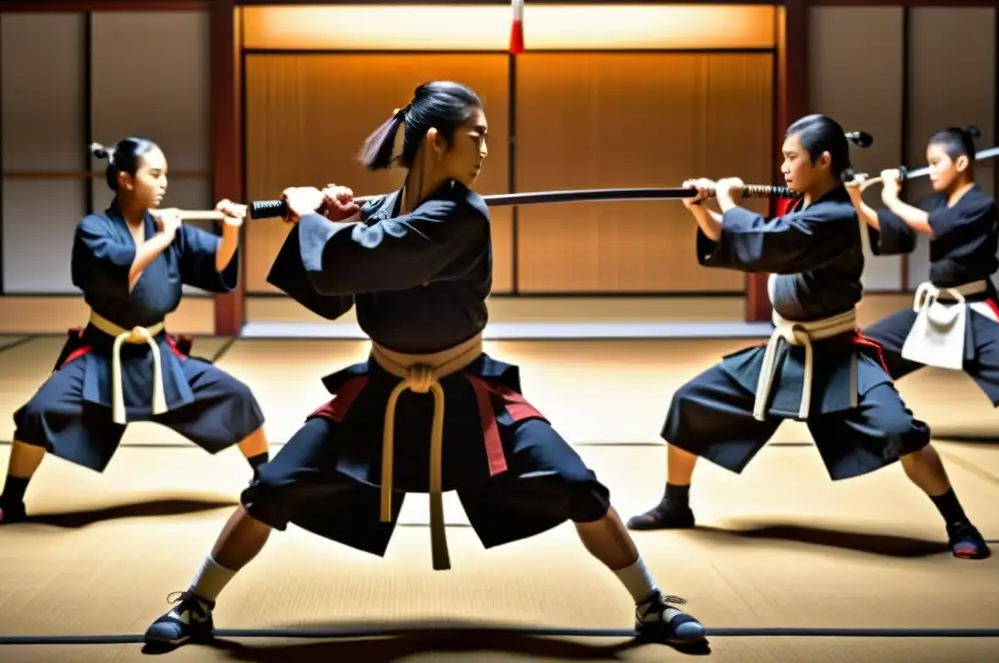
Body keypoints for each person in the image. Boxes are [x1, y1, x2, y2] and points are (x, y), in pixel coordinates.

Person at [142, 81, 705, 650]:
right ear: (436, 141)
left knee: (577, 484)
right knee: (274, 486)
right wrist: (328, 222)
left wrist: (316, 220)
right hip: (380, 388)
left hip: (469, 391)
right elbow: (334, 292)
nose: (485, 152)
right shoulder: (385, 212)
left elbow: (360, 259)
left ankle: (651, 606)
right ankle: (196, 605)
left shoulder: (462, 217)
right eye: (476, 138)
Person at [626, 115, 990, 560]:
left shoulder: (836, 215)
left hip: (837, 354)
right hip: (785, 352)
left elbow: (763, 242)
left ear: (823, 160)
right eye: (782, 158)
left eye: (791, 157)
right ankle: (674, 504)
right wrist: (701, 208)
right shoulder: (805, 208)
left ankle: (959, 521)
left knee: (903, 432)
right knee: (690, 402)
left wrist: (729, 199)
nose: (783, 167)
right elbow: (751, 238)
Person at [0, 139, 269, 525]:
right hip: (102, 354)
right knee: (39, 412)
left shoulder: (166, 228)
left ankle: (267, 481)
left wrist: (229, 233)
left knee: (236, 396)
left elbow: (215, 266)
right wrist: (163, 237)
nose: (163, 184)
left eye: (165, 176)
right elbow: (121, 273)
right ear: (125, 179)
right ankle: (11, 501)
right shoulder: (95, 229)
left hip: (158, 355)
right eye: (154, 174)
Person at [848, 126, 999, 426]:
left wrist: (891, 197)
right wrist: (857, 201)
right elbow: (899, 228)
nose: (929, 171)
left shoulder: (981, 206)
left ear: (961, 163)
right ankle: (855, 419)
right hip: (935, 307)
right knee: (865, 350)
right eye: (927, 163)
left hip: (974, 309)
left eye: (935, 162)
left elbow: (931, 225)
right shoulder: (936, 203)